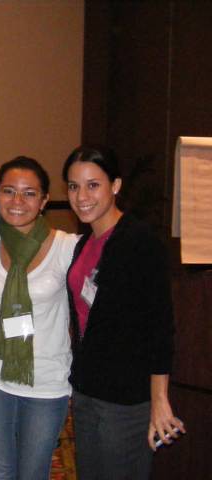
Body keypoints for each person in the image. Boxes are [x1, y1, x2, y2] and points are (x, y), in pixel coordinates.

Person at [63, 145, 184, 479]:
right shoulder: (84, 243)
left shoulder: (140, 242)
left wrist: (159, 399)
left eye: (93, 185)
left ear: (115, 185)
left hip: (124, 401)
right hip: (87, 391)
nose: (81, 196)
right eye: (73, 186)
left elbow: (160, 327)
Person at [0, 157, 77, 479]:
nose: (17, 202)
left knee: (34, 472)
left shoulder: (67, 248)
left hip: (46, 383)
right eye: (8, 191)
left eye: (29, 193)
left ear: (44, 200)